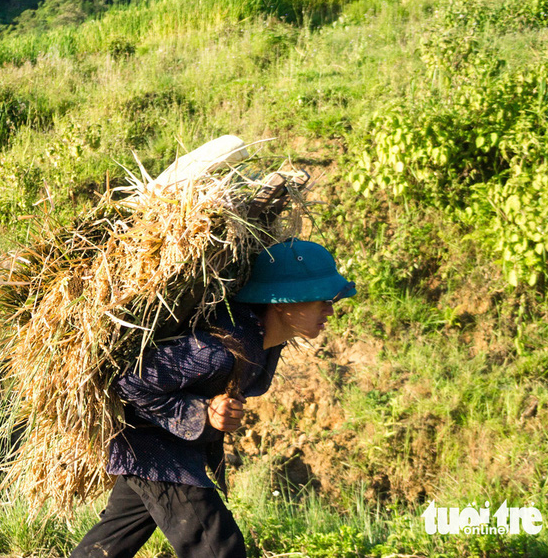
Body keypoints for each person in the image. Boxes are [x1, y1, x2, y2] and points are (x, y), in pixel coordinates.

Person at [69, 238, 356, 558]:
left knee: (107, 547)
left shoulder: (268, 341)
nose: (330, 309)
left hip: (171, 451)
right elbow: (129, 383)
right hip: (155, 452)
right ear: (282, 301)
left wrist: (214, 412)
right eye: (321, 299)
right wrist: (200, 412)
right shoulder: (217, 349)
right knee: (218, 549)